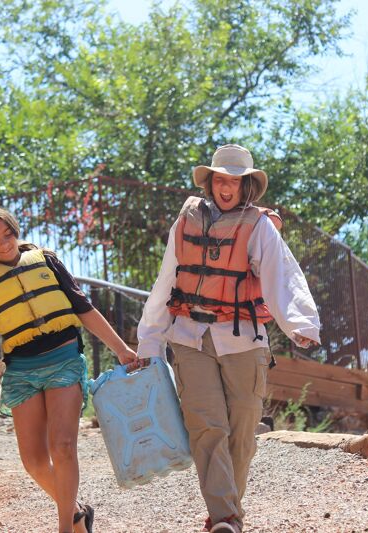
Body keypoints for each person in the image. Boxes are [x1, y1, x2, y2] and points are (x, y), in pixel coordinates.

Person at [136, 144, 321, 533]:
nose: (225, 187)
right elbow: (166, 279)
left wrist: (301, 325)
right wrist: (149, 341)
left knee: (242, 435)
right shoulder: (186, 221)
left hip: (244, 341)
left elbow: (281, 275)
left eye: (233, 181)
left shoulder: (259, 226)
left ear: (246, 186)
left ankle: (228, 513)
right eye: (220, 179)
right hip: (189, 338)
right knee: (208, 427)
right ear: (211, 182)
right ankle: (225, 518)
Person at [0, 206, 138, 533]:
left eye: (8, 235)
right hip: (22, 371)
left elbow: (85, 309)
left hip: (64, 360)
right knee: (35, 462)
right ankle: (78, 512)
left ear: (16, 231)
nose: (3, 244)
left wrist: (122, 349)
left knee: (63, 446)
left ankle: (65, 529)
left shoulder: (47, 261)